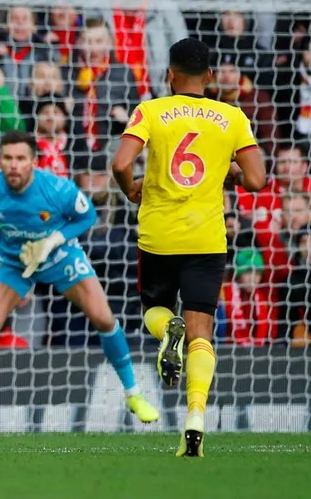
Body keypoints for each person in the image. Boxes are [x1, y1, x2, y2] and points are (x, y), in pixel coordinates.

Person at [0, 131, 160, 433]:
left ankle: (133, 392)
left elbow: (87, 215)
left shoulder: (56, 188)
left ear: (34, 162)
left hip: (59, 256)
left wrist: (52, 240)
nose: (14, 165)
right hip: (12, 262)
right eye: (8, 158)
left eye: (21, 158)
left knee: (104, 318)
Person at [110, 38, 266, 457]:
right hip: (206, 239)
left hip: (159, 236)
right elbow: (256, 180)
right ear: (210, 76)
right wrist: (229, 173)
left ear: (170, 75)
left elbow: (121, 163)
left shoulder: (151, 110)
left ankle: (167, 331)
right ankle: (195, 418)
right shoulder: (231, 116)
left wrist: (131, 189)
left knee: (153, 310)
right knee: (202, 333)